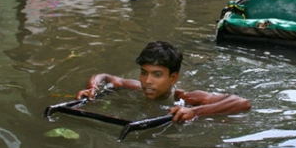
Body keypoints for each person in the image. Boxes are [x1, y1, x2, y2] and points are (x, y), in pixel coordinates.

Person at [76, 41, 251, 122]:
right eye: (144, 73)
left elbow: (242, 103)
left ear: (173, 78)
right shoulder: (137, 87)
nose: (147, 82)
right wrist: (92, 87)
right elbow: (106, 77)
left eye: (157, 75)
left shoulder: (187, 97)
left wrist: (195, 112)